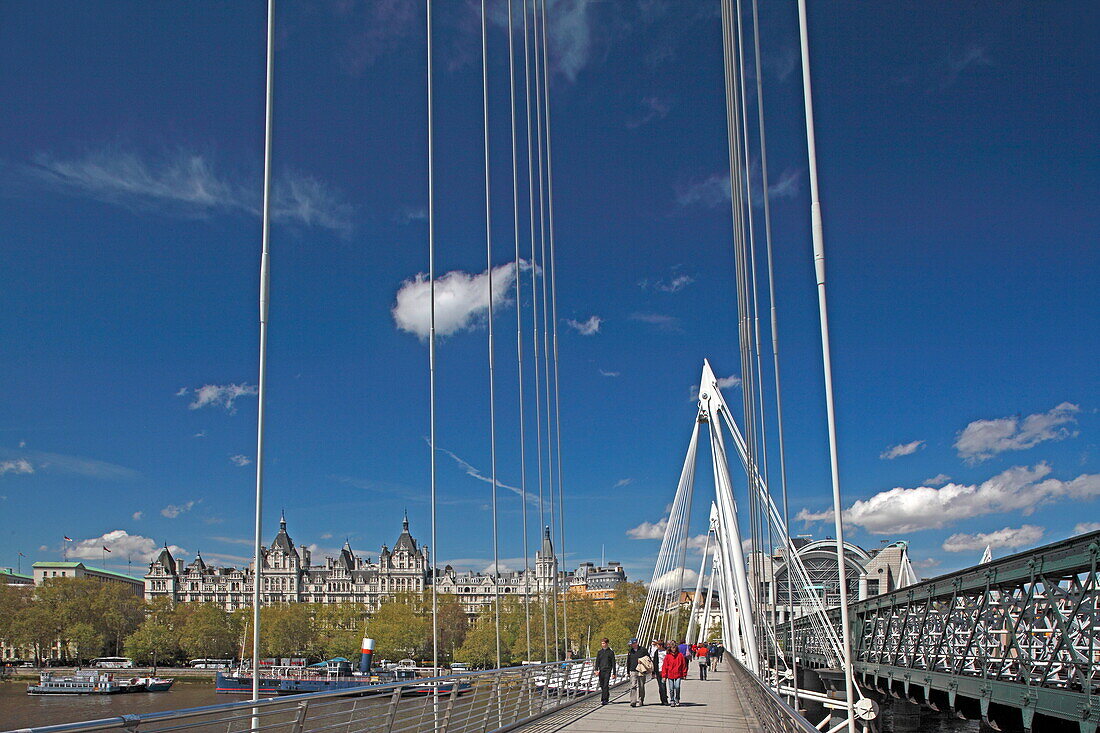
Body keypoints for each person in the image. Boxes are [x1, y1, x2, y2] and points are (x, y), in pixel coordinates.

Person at [626, 638, 651, 707]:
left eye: (632, 644)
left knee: (641, 686)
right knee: (633, 685)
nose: (631, 645)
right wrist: (628, 671)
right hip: (633, 670)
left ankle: (641, 700)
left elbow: (648, 659)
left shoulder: (643, 650)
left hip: (641, 670)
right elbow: (628, 661)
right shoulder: (630, 651)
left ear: (636, 643)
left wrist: (642, 660)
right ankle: (633, 701)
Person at [661, 642, 688, 707]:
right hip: (670, 675)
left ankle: (677, 699)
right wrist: (664, 676)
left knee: (677, 687)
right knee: (671, 689)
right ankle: (672, 700)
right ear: (670, 648)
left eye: (674, 648)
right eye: (672, 648)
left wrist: (684, 674)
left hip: (678, 674)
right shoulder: (668, 656)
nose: (673, 649)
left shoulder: (680, 655)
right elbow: (664, 666)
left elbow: (684, 665)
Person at [595, 638, 616, 705]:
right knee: (602, 685)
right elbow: (597, 661)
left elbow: (613, 663)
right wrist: (596, 670)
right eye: (602, 643)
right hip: (601, 670)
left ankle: (604, 699)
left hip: (607, 670)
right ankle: (606, 696)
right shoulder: (599, 652)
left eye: (603, 643)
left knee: (605, 685)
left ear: (607, 644)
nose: (602, 645)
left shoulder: (610, 652)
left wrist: (614, 673)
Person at [649, 640, 669, 705]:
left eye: (657, 645)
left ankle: (665, 699)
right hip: (658, 671)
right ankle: (663, 699)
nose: (656, 646)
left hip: (665, 671)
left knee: (663, 685)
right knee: (660, 686)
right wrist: (653, 672)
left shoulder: (667, 652)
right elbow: (654, 662)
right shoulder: (656, 652)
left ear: (661, 645)